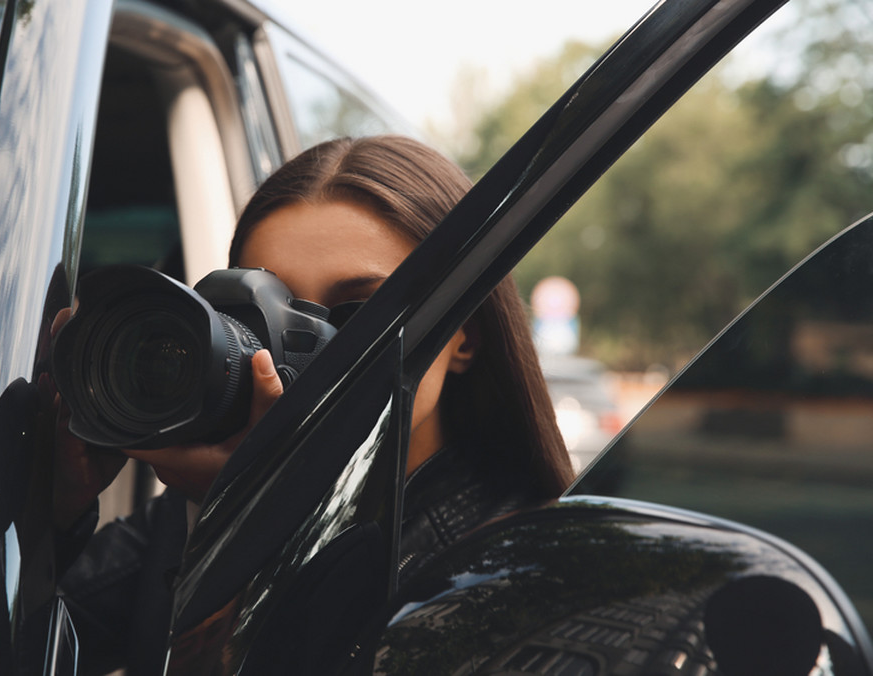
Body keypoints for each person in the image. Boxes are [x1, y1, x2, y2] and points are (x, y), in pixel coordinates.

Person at [46, 135, 573, 674]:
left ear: (465, 337)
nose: (308, 346)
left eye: (362, 312)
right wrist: (56, 508)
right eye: (265, 311)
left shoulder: (511, 563)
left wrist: (258, 532)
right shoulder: (188, 514)